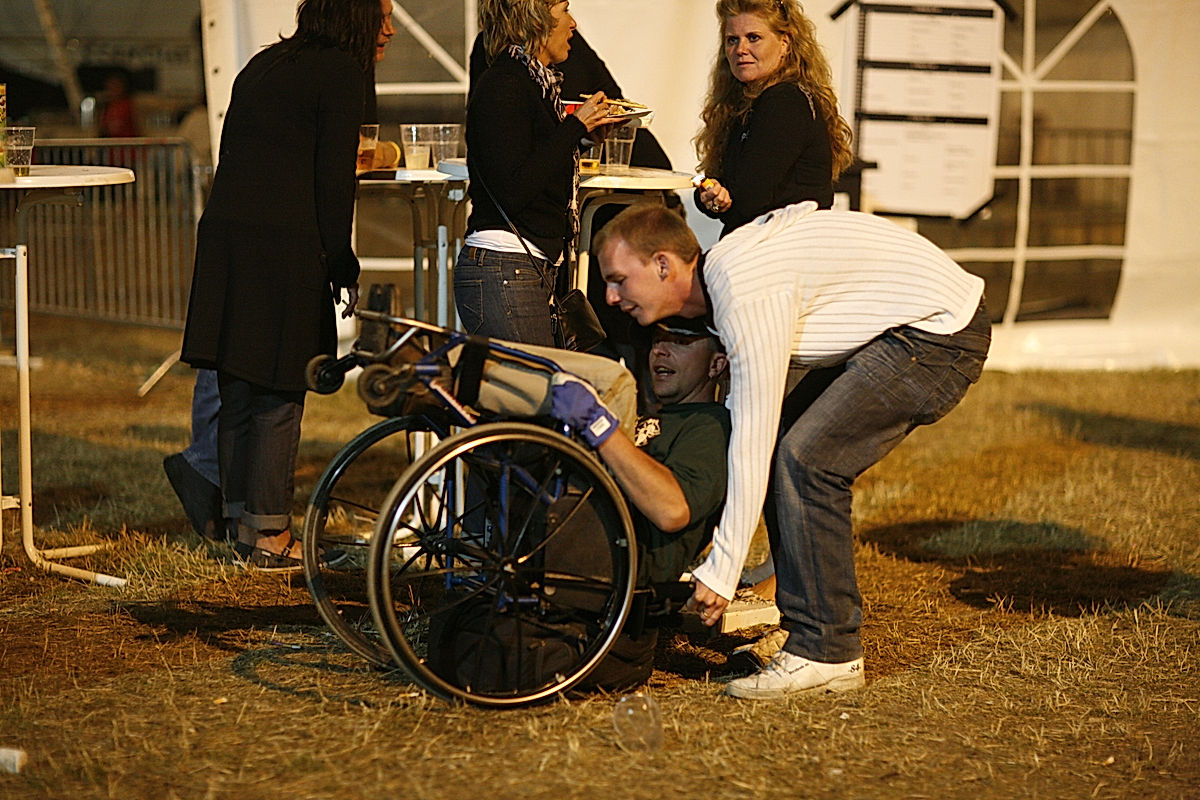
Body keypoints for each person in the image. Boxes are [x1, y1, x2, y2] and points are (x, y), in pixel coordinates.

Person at [594, 201, 990, 699]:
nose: (610, 297)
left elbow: (752, 437)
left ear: (663, 265)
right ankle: (805, 631)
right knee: (789, 449)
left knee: (806, 461)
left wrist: (723, 569)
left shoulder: (741, 289)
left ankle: (828, 652)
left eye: (618, 280)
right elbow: (750, 432)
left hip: (940, 332)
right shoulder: (726, 283)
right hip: (908, 327)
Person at [178, 0, 395, 571]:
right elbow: (333, 181)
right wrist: (343, 264)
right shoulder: (341, 73)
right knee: (279, 391)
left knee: (239, 384)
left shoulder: (265, 63)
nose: (392, 30)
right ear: (356, 17)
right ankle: (271, 535)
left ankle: (242, 526)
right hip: (282, 248)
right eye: (382, 17)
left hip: (228, 242)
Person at [455, 0, 620, 347]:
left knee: (542, 378)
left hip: (521, 267)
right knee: (535, 380)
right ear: (536, 20)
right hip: (504, 266)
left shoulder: (535, 83)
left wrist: (581, 140)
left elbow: (532, 160)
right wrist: (574, 127)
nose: (573, 23)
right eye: (564, 10)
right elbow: (513, 188)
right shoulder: (504, 83)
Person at [693, 0, 853, 238]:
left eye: (753, 38)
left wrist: (721, 200)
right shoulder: (747, 104)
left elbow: (745, 202)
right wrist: (710, 195)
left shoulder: (785, 100)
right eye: (732, 40)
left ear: (784, 44)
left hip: (781, 247)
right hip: (765, 243)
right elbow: (726, 188)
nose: (740, 49)